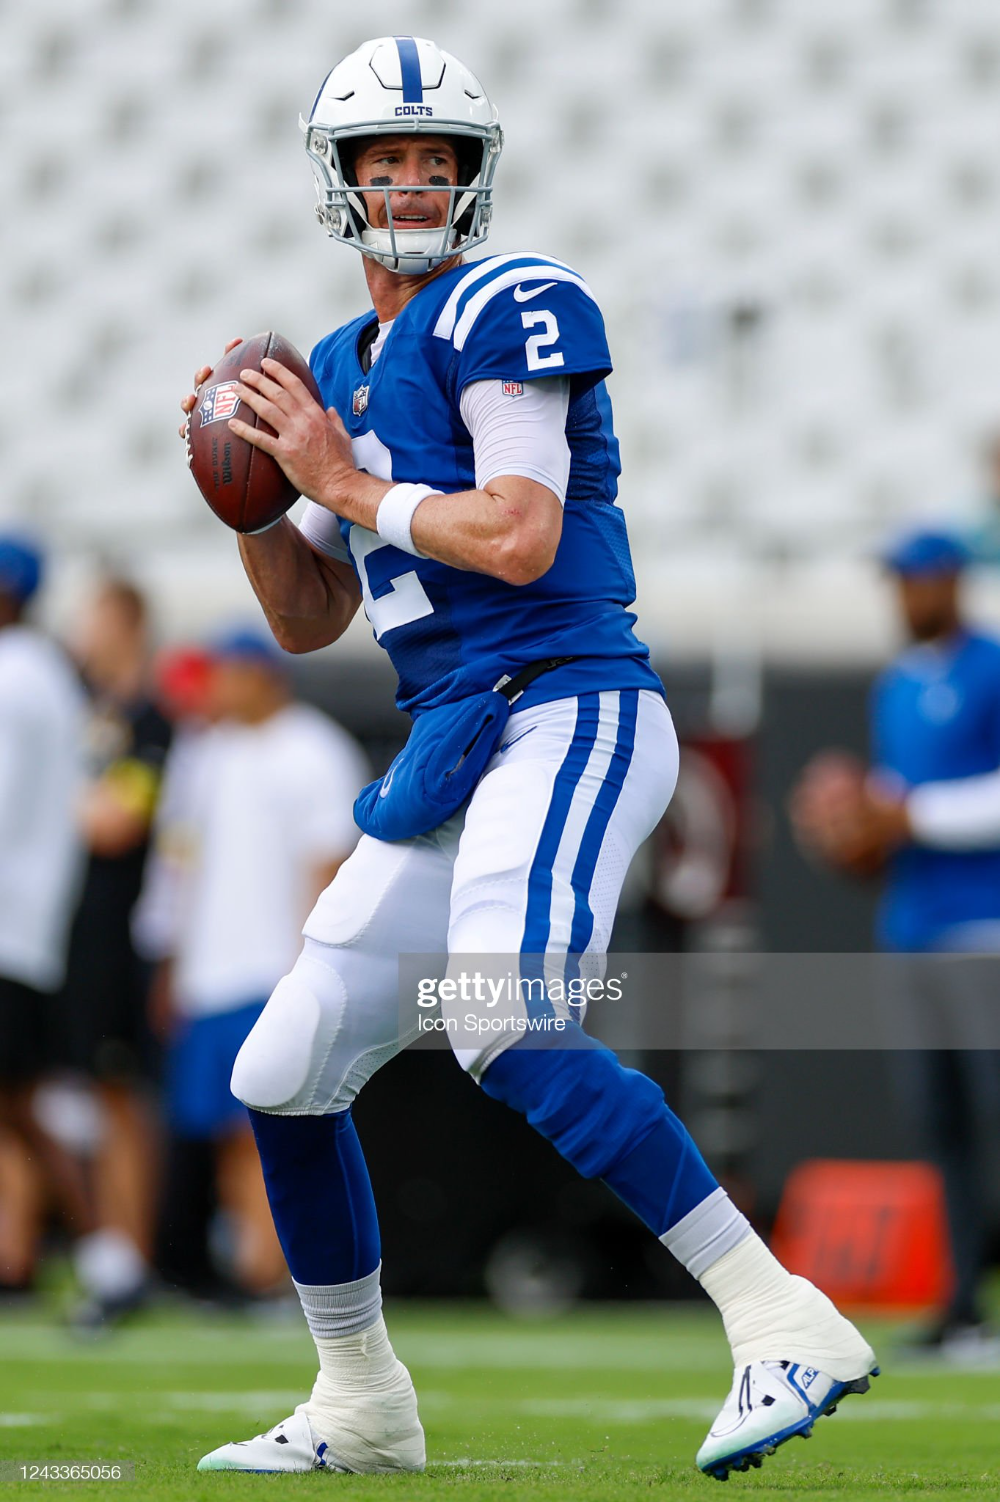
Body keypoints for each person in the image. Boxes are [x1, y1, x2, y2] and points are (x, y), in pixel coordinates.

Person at [180, 37, 875, 1479]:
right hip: (455, 734)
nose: (416, 181)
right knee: (282, 1066)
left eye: (440, 159)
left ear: (475, 180)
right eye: (388, 160)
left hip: (563, 702)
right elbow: (311, 618)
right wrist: (252, 502)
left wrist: (343, 481)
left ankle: (782, 1315)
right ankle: (362, 1396)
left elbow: (519, 532)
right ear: (341, 183)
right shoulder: (345, 363)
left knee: (503, 1015)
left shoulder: (512, 303)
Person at [792, 528, 1000, 1356]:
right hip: (913, 927)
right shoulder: (895, 687)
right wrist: (854, 828)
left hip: (985, 927)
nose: (907, 599)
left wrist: (903, 814)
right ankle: (963, 1306)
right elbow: (892, 809)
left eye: (918, 582)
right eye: (899, 584)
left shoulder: (989, 667)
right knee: (938, 1120)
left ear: (951, 581)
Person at [135, 628, 367, 1302]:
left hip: (274, 972)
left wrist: (312, 972)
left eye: (230, 674)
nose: (218, 688)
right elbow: (180, 868)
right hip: (209, 976)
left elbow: (327, 869)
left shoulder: (314, 750)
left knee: (264, 1132)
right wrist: (170, 966)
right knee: (217, 1133)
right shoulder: (205, 754)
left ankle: (273, 1273)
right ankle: (252, 1271)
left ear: (265, 676)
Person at [60, 578, 172, 1324]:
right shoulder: (86, 715)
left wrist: (44, 803)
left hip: (120, 934)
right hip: (74, 929)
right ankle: (107, 1253)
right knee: (79, 1099)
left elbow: (117, 823)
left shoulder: (149, 720)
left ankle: (130, 1255)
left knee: (120, 1098)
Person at [0, 535, 89, 1291]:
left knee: (23, 1108)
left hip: (7, 923)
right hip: (25, 924)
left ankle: (109, 1253)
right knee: (20, 1107)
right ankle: (91, 1254)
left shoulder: (15, 674)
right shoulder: (42, 670)